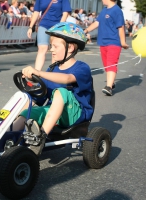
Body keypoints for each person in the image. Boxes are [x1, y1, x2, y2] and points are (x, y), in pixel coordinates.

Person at [12, 22, 93, 156]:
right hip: (53, 113)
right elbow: (41, 96)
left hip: (74, 115)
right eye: (51, 46)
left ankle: (40, 137)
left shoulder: (82, 68)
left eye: (55, 46)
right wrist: (28, 98)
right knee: (26, 111)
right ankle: (6, 139)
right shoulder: (52, 69)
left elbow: (67, 79)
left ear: (71, 47)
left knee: (61, 92)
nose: (51, 50)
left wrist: (39, 72)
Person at [84, 0, 129, 96]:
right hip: (103, 42)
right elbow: (97, 23)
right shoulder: (104, 10)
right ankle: (111, 83)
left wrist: (123, 42)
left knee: (111, 63)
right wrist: (86, 30)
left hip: (113, 42)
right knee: (106, 65)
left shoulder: (117, 10)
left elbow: (121, 27)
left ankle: (108, 87)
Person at [27, 0, 72, 71]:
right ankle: (36, 71)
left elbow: (65, 13)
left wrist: (59, 26)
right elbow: (36, 12)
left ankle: (53, 71)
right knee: (42, 48)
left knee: (55, 49)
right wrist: (30, 27)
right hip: (44, 25)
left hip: (57, 26)